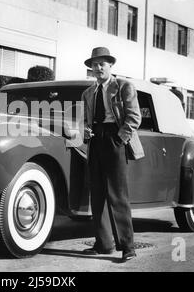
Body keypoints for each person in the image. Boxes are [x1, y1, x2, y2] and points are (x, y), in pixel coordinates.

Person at [81, 47, 145, 262]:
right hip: (95, 141)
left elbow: (134, 117)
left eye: (102, 64)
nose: (98, 68)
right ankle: (103, 244)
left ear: (110, 66)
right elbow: (84, 120)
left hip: (114, 138)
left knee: (117, 195)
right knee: (97, 194)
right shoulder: (88, 93)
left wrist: (119, 138)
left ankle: (128, 247)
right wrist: (86, 131)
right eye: (94, 65)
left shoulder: (124, 86)